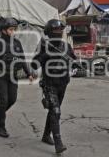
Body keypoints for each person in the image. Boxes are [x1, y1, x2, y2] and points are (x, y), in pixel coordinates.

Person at [0, 18, 34, 138]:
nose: (13, 31)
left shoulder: (17, 43)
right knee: (3, 100)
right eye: (11, 29)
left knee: (12, 99)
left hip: (13, 75)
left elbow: (22, 59)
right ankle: (1, 126)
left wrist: (29, 73)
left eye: (14, 29)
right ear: (3, 30)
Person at [31, 19, 76, 154]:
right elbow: (34, 64)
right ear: (49, 32)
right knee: (56, 111)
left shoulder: (67, 46)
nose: (59, 32)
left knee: (53, 111)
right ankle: (58, 143)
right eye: (56, 30)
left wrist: (72, 62)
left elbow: (74, 61)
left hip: (63, 83)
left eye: (60, 30)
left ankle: (46, 135)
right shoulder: (43, 46)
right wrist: (46, 54)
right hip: (49, 84)